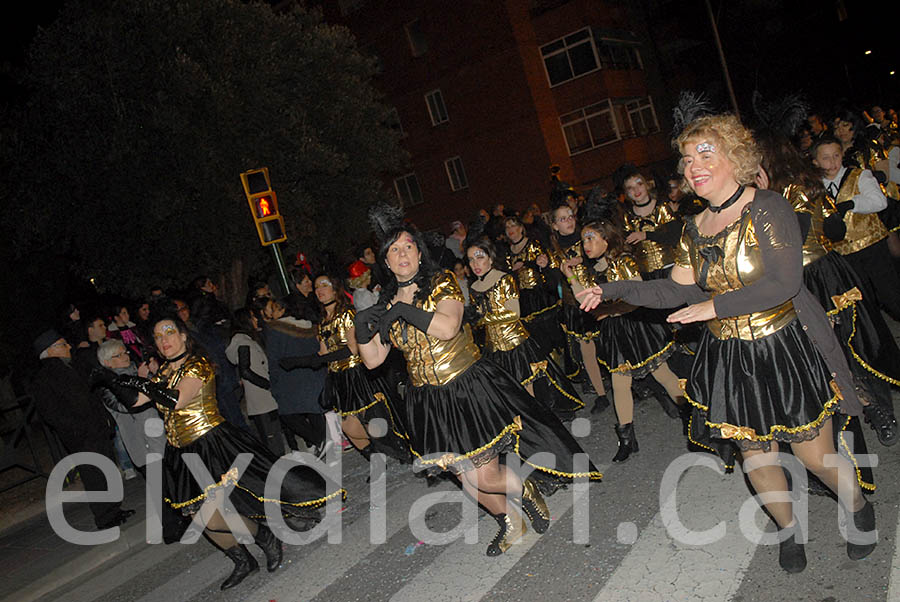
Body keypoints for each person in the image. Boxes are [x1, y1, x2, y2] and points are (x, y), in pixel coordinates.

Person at [578, 114, 877, 573]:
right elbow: (675, 290)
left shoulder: (769, 207)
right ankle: (787, 527)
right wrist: (618, 290)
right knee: (755, 454)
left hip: (781, 346)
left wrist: (713, 308)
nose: (693, 165)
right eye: (687, 157)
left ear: (735, 157)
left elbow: (784, 282)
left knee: (814, 454)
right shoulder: (695, 227)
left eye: (705, 153)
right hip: (731, 356)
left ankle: (856, 504)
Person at [356, 213, 601, 556]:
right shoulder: (385, 303)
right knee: (463, 477)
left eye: (408, 246)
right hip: (428, 400)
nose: (402, 254)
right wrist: (363, 326)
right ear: (385, 260)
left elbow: (447, 328)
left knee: (483, 476)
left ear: (419, 252)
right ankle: (511, 521)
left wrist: (404, 311)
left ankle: (526, 490)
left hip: (464, 387)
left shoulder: (441, 282)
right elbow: (373, 360)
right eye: (394, 250)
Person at [115, 312, 343, 590]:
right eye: (159, 337)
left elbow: (177, 400)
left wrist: (142, 383)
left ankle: (265, 535)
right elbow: (135, 402)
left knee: (236, 499)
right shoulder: (163, 372)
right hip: (180, 452)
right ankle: (242, 560)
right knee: (199, 517)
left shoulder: (197, 364)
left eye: (170, 333)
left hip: (213, 443)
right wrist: (109, 380)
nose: (165, 341)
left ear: (184, 336)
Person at [757, 128, 899, 446]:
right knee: (823, 356)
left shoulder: (799, 188)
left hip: (823, 275)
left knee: (854, 345)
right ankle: (847, 424)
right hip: (791, 283)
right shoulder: (759, 194)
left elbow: (805, 234)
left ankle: (879, 410)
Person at [564, 214, 687, 461]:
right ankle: (627, 439)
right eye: (582, 240)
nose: (585, 244)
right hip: (614, 332)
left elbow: (639, 294)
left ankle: (691, 416)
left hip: (636, 326)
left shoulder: (623, 261)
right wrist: (570, 276)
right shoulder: (591, 269)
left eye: (590, 238)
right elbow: (583, 300)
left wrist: (610, 309)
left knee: (662, 374)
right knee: (620, 383)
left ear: (606, 239)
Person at [280, 273, 409, 463]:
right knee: (348, 427)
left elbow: (352, 348)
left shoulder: (347, 314)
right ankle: (375, 460)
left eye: (324, 285)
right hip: (338, 377)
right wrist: (299, 361)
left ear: (334, 288)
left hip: (357, 373)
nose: (319, 290)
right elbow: (323, 354)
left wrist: (308, 361)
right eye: (316, 287)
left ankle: (403, 451)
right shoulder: (323, 321)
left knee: (374, 421)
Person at [466, 232, 583, 420]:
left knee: (527, 385)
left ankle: (539, 423)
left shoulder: (504, 279)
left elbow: (514, 313)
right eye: (471, 260)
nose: (475, 264)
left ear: (490, 257)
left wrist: (482, 319)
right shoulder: (474, 287)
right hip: (494, 348)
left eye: (480, 257)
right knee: (507, 391)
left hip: (516, 344)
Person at [30, 330, 136, 530]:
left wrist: (104, 420)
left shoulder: (72, 367)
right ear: (50, 351)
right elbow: (51, 413)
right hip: (81, 435)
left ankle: (114, 509)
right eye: (63, 344)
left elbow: (91, 396)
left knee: (107, 468)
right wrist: (77, 429)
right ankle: (104, 516)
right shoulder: (43, 378)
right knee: (93, 474)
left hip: (96, 429)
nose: (69, 347)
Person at [812, 135, 900, 321]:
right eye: (826, 158)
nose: (832, 162)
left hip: (872, 246)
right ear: (815, 161)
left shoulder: (859, 175)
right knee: (863, 304)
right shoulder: (815, 187)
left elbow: (879, 201)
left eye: (836, 155)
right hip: (843, 255)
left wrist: (851, 203)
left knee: (891, 295)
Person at [547, 202, 610, 414]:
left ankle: (632, 381)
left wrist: (583, 258)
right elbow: (553, 283)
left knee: (612, 341)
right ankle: (601, 394)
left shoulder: (587, 234)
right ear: (554, 225)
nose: (569, 221)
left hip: (601, 294)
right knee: (587, 350)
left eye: (570, 216)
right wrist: (550, 269)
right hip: (576, 304)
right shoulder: (554, 251)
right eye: (562, 218)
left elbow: (606, 250)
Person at [255, 297, 329, 457]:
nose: (271, 313)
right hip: (314, 375)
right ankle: (324, 442)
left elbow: (274, 358)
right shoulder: (309, 325)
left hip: (290, 380)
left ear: (282, 310)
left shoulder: (275, 329)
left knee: (288, 415)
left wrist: (273, 381)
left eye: (274, 309)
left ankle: (320, 441)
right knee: (315, 411)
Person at [95, 339, 165, 473]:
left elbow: (161, 393)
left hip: (160, 430)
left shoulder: (136, 370)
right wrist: (141, 379)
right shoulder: (107, 384)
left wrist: (157, 374)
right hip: (141, 438)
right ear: (107, 362)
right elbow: (126, 406)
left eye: (125, 352)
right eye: (119, 355)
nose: (125, 356)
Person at [503, 214, 565, 358]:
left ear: (521, 228)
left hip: (539, 292)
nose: (510, 229)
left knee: (549, 326)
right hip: (522, 296)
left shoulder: (532, 244)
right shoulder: (508, 252)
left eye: (513, 225)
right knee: (535, 331)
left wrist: (525, 264)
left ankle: (562, 355)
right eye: (507, 227)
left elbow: (543, 265)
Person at [225, 308, 284, 456]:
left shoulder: (245, 340)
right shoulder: (242, 342)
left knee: (271, 436)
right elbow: (246, 370)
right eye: (252, 317)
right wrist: (268, 385)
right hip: (261, 399)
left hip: (260, 398)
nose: (256, 320)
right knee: (271, 438)